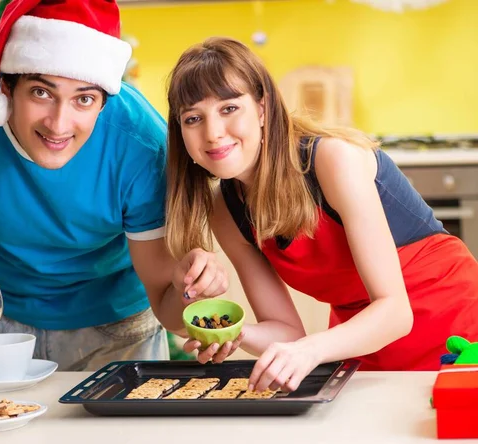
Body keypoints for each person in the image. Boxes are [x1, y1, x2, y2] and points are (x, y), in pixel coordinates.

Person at [0, 0, 228, 372]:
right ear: (5, 86)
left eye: (84, 99)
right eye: (42, 93)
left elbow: (166, 304)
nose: (59, 124)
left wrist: (192, 289)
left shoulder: (142, 146)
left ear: (104, 102)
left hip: (117, 332)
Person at [164, 36, 478, 393]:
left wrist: (310, 350)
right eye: (193, 118)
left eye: (229, 108)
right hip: (361, 339)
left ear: (263, 109)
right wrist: (233, 335)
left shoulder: (332, 160)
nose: (213, 133)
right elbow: (287, 332)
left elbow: (394, 312)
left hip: (454, 329)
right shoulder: (226, 209)